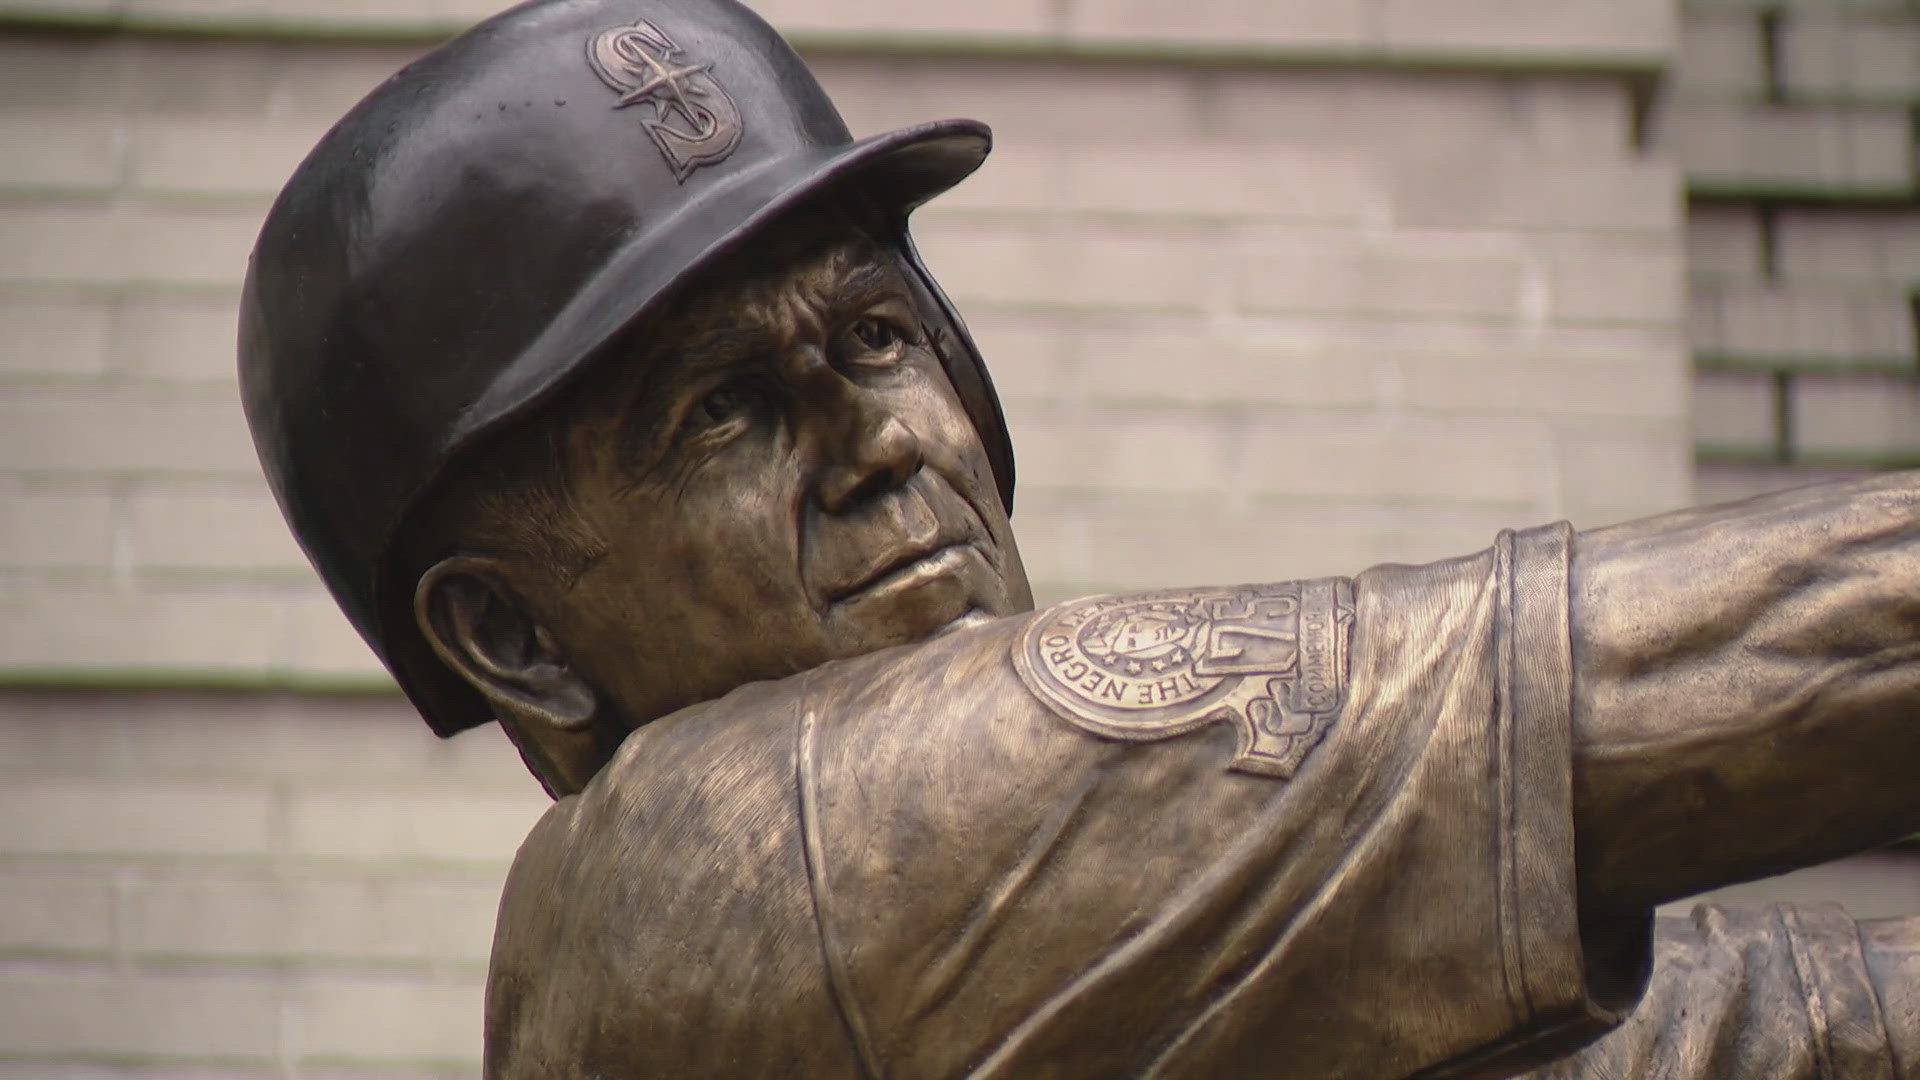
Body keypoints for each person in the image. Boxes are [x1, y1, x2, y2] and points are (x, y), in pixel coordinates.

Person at [238, 0, 1920, 1075]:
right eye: (725, 414)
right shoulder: (712, 886)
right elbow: (1741, 671)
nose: (881, 446)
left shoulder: (1135, 948)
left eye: (881, 338)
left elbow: (1769, 1030)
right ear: (513, 635)